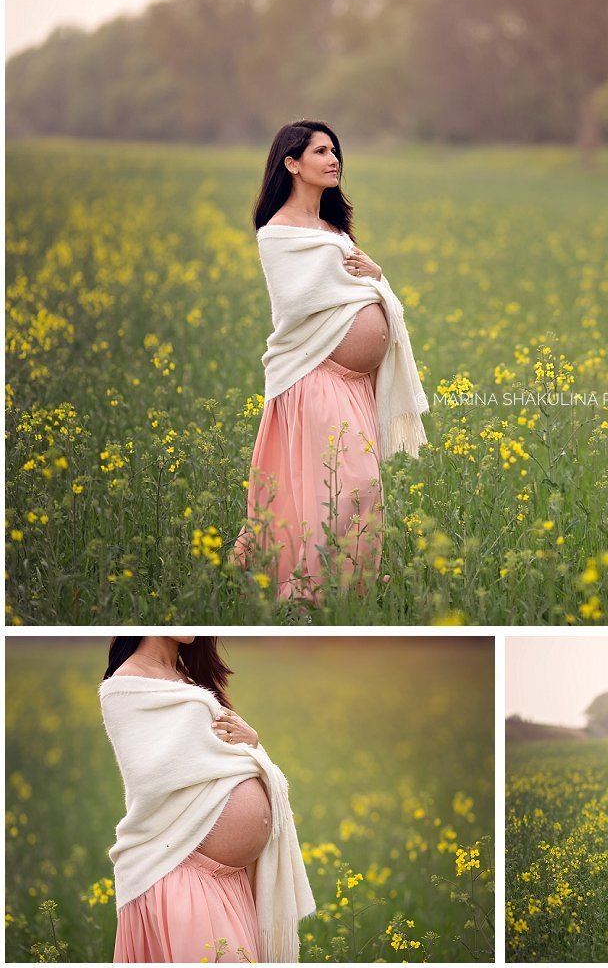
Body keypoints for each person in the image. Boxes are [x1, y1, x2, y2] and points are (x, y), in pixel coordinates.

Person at [234, 119, 428, 601]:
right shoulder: (277, 232)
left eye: (335, 150)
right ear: (292, 163)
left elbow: (359, 284)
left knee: (356, 486)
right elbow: (298, 302)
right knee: (350, 482)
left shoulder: (332, 229)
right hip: (315, 372)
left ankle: (348, 590)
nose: (333, 158)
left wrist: (377, 276)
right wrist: (363, 286)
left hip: (355, 382)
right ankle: (307, 593)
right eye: (320, 151)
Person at [100, 636, 315, 962]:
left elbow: (218, 753)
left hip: (231, 883)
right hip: (181, 871)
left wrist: (254, 744)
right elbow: (148, 778)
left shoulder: (187, 678)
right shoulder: (126, 685)